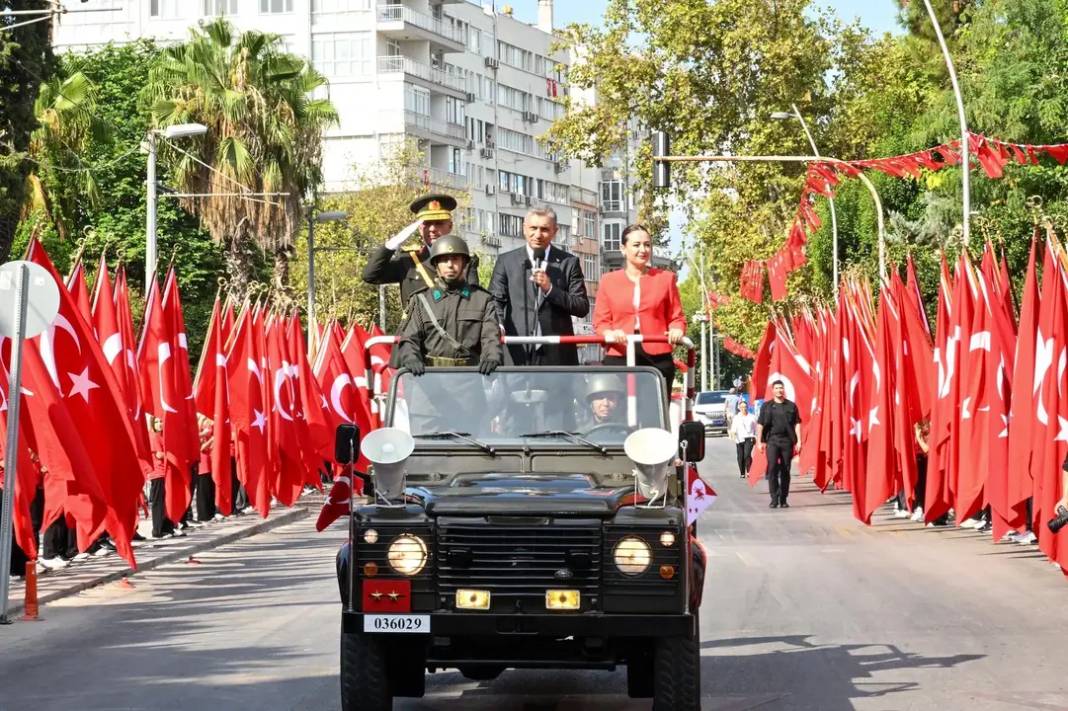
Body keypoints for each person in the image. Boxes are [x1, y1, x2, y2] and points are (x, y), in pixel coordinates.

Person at [490, 207, 589, 366]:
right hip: (517, 352)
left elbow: (582, 307)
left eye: (544, 229)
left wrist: (550, 289)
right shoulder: (506, 261)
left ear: (554, 231)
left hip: (557, 355)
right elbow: (496, 301)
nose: (538, 234)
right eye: (533, 228)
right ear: (524, 228)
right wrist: (498, 325)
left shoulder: (569, 263)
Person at [593, 224, 685, 387]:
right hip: (619, 352)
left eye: (647, 245)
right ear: (623, 248)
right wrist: (610, 333)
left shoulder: (665, 279)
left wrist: (676, 329)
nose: (643, 250)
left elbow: (676, 317)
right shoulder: (608, 281)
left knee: (654, 409)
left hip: (657, 355)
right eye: (636, 245)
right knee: (620, 410)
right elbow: (601, 322)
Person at [362, 193, 480, 306]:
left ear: (450, 226)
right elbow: (370, 275)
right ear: (419, 229)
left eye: (438, 223)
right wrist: (392, 244)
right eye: (427, 224)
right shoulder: (408, 260)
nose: (432, 229)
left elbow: (471, 300)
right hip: (415, 326)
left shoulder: (464, 260)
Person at [756, 380, 800, 508]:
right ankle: (774, 498)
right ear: (773, 390)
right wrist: (759, 441)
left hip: (787, 441)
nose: (779, 390)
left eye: (781, 388)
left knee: (786, 470)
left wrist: (799, 441)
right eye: (776, 388)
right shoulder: (767, 406)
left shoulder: (791, 406)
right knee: (772, 468)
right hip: (772, 441)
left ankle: (783, 498)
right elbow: (760, 424)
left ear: (784, 389)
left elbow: (797, 423)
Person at [729, 400, 757, 478]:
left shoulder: (752, 417)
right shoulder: (737, 418)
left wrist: (756, 437)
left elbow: (756, 428)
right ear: (739, 408)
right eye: (742, 407)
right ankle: (742, 472)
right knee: (740, 457)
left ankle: (749, 471)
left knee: (747, 455)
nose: (743, 409)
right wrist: (733, 435)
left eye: (745, 407)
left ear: (747, 407)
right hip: (739, 439)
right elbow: (733, 429)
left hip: (749, 437)